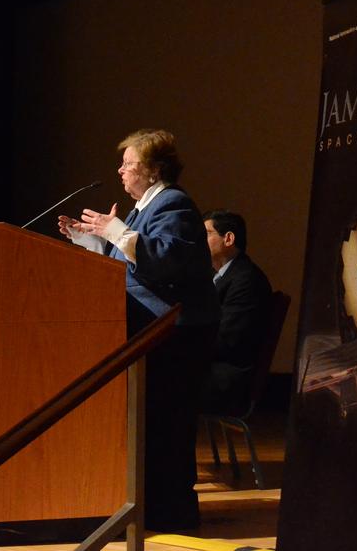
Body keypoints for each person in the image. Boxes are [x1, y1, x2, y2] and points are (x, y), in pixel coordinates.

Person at [59, 128, 218, 531]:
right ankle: (151, 509)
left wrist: (113, 231)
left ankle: (173, 515)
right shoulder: (143, 208)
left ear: (152, 169)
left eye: (129, 164)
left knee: (167, 426)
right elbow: (128, 266)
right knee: (152, 425)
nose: (121, 170)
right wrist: (92, 241)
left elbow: (165, 261)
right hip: (151, 332)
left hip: (174, 336)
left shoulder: (174, 204)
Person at [200, 210, 273, 416]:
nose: (198, 240)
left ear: (228, 238)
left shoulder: (246, 280)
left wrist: (183, 347)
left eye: (206, 233)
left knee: (159, 380)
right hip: (217, 371)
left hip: (229, 381)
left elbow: (226, 340)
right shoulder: (226, 276)